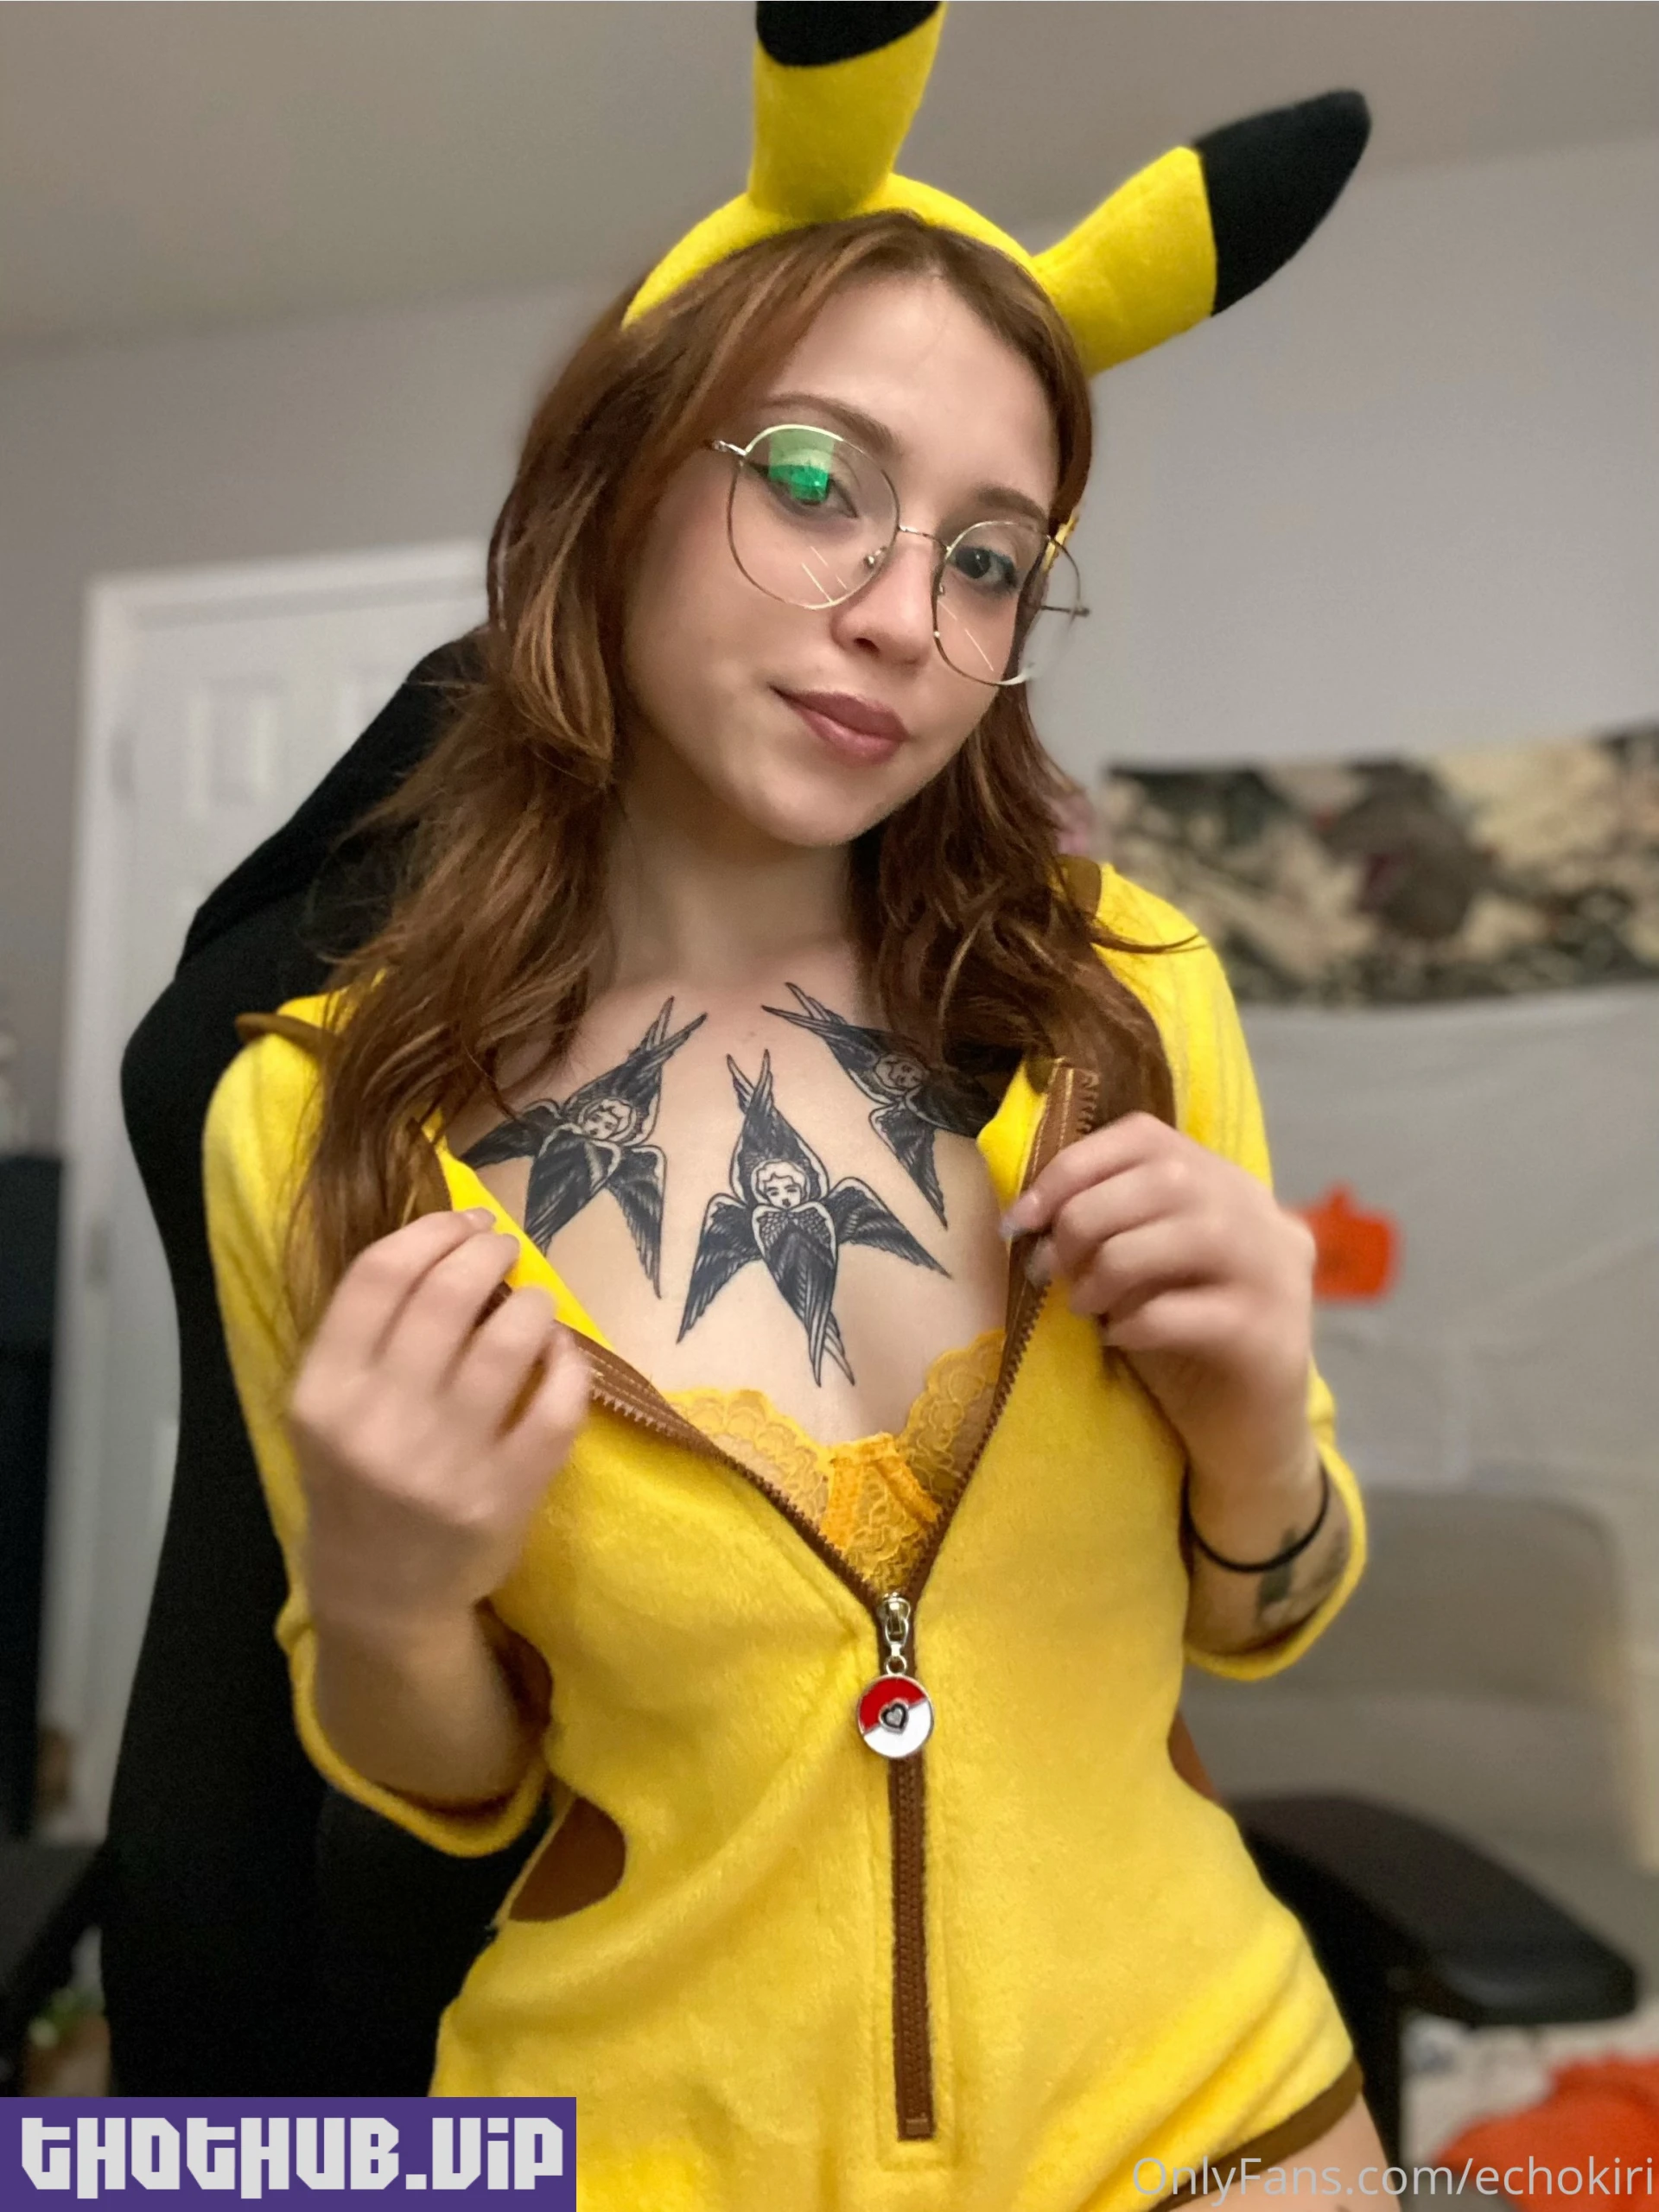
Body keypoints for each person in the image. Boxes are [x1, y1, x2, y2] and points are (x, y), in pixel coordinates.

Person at [200, 8, 1389, 2205]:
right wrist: (379, 1590)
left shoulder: (1129, 999)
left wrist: (1255, 1432)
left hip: (1217, 2121)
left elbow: (1262, 1607)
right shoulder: (317, 1119)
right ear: (616, 485)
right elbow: (453, 1784)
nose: (904, 617)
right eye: (822, 484)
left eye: (989, 555)